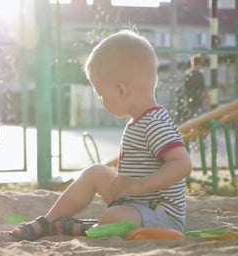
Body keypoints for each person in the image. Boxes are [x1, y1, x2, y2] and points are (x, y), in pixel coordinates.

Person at [10, 30, 192, 241]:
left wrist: (139, 186)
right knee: (95, 172)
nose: (100, 100)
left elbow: (182, 164)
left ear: (121, 90)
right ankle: (49, 220)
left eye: (101, 94)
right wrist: (130, 184)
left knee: (113, 216)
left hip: (161, 215)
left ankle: (87, 229)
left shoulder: (155, 123)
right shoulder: (139, 120)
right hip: (136, 199)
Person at [175, 53, 210, 124]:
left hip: (188, 101)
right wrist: (207, 100)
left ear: (192, 63)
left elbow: (183, 89)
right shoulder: (199, 75)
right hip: (197, 102)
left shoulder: (187, 74)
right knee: (199, 120)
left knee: (190, 120)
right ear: (200, 63)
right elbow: (203, 90)